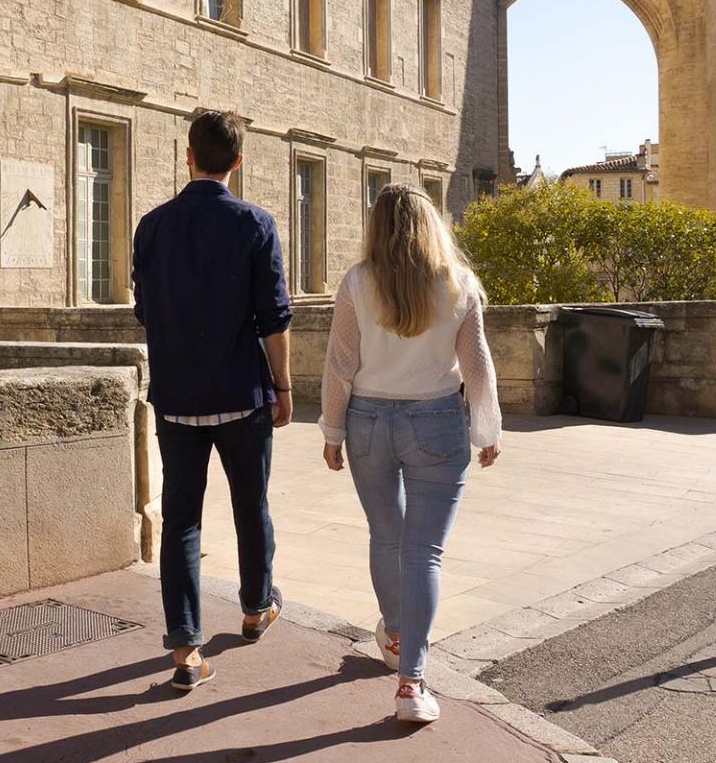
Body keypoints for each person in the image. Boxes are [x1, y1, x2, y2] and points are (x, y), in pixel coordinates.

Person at [319, 183, 502, 724]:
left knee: (385, 535)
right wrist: (487, 428)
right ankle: (411, 685)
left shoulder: (357, 281)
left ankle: (396, 634)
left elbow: (339, 363)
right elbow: (477, 365)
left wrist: (332, 431)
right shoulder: (459, 283)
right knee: (424, 553)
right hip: (437, 421)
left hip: (369, 421)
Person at [132, 109, 294, 692]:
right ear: (239, 162)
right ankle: (255, 609)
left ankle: (185, 649)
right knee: (251, 506)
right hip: (241, 395)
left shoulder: (151, 227)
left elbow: (145, 311)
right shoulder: (256, 224)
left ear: (188, 156)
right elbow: (275, 319)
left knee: (181, 520)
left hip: (176, 397)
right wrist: (284, 387)